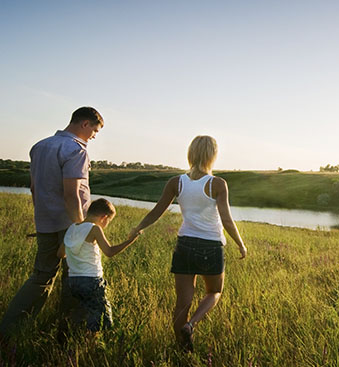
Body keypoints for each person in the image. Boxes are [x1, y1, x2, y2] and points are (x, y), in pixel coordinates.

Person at [129, 135, 247, 352]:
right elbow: (227, 219)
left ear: (190, 154)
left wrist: (138, 228)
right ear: (213, 156)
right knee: (214, 292)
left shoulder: (176, 182)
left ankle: (182, 349)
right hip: (210, 246)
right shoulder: (217, 184)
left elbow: (157, 211)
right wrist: (240, 243)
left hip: (184, 244)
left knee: (182, 302)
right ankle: (191, 325)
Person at [0, 107, 104, 337]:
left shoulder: (39, 146)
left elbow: (34, 187)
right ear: (85, 124)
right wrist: (80, 227)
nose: (94, 136)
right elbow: (71, 193)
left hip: (45, 220)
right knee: (75, 276)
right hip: (70, 223)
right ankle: (67, 332)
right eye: (94, 131)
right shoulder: (76, 149)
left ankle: (11, 328)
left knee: (41, 275)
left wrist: (42, 216)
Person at [60, 198, 141, 332]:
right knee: (102, 320)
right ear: (104, 217)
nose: (107, 224)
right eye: (109, 221)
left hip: (73, 281)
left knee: (82, 315)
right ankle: (91, 348)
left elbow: (61, 253)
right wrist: (130, 241)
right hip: (91, 280)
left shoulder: (72, 228)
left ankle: (76, 344)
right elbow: (109, 252)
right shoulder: (95, 229)